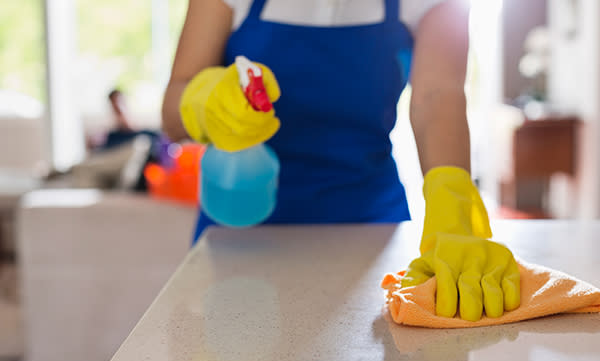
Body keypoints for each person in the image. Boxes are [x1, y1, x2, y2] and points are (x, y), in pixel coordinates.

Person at [162, 0, 521, 322]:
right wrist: (204, 100)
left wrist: (452, 203)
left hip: (371, 227)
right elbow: (172, 110)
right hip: (239, 223)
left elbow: (437, 95)